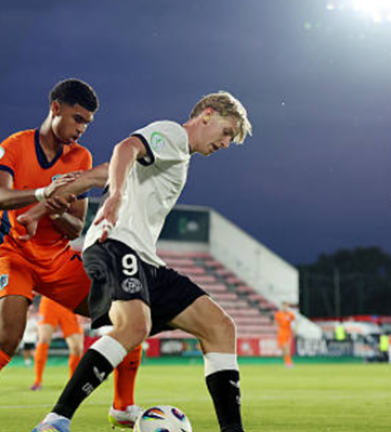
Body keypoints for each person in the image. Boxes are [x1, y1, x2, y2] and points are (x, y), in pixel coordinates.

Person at [30, 91, 252, 432]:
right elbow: (125, 149)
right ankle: (55, 421)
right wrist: (116, 196)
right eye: (226, 132)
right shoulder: (173, 133)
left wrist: (53, 196)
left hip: (144, 257)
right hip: (117, 243)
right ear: (207, 115)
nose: (225, 143)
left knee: (220, 327)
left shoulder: (176, 151)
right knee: (134, 326)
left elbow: (107, 170)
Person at [0, 79, 143, 432]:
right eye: (77, 119)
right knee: (6, 339)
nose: (80, 130)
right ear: (55, 109)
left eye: (86, 124)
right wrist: (41, 193)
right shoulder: (14, 146)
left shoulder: (81, 157)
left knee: (128, 310)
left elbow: (73, 228)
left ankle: (123, 406)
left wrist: (53, 208)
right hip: (12, 255)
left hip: (57, 260)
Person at [31, 296, 84, 391]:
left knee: (77, 347)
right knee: (43, 339)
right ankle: (37, 381)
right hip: (50, 302)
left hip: (68, 304)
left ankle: (73, 381)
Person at [274, 301, 295, 368]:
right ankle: (287, 362)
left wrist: (295, 329)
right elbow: (275, 323)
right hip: (281, 332)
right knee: (283, 349)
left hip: (287, 332)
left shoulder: (290, 314)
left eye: (286, 306)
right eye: (283, 306)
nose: (284, 307)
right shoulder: (278, 314)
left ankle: (289, 363)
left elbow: (295, 321)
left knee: (286, 347)